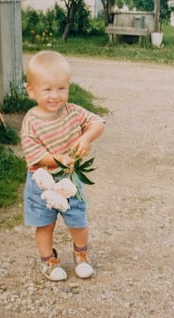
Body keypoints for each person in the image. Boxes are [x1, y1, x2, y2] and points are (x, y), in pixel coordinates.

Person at [21, 50, 105, 281]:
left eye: (61, 88)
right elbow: (34, 154)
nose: (55, 96)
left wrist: (85, 138)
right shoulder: (31, 121)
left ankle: (81, 255)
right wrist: (57, 159)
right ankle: (48, 260)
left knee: (77, 219)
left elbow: (98, 122)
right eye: (47, 89)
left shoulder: (73, 112)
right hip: (42, 182)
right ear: (31, 90)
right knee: (44, 224)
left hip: (69, 179)